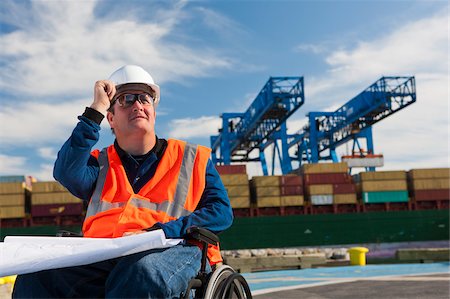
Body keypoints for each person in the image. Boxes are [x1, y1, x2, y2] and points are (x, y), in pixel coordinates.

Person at [13, 65, 233, 298]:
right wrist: (95, 109)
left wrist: (161, 231)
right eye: (126, 99)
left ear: (154, 113)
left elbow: (221, 212)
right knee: (36, 274)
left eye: (145, 99)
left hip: (175, 248)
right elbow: (65, 172)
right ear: (110, 118)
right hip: (105, 255)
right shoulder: (98, 165)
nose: (137, 104)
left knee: (140, 273)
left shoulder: (192, 158)